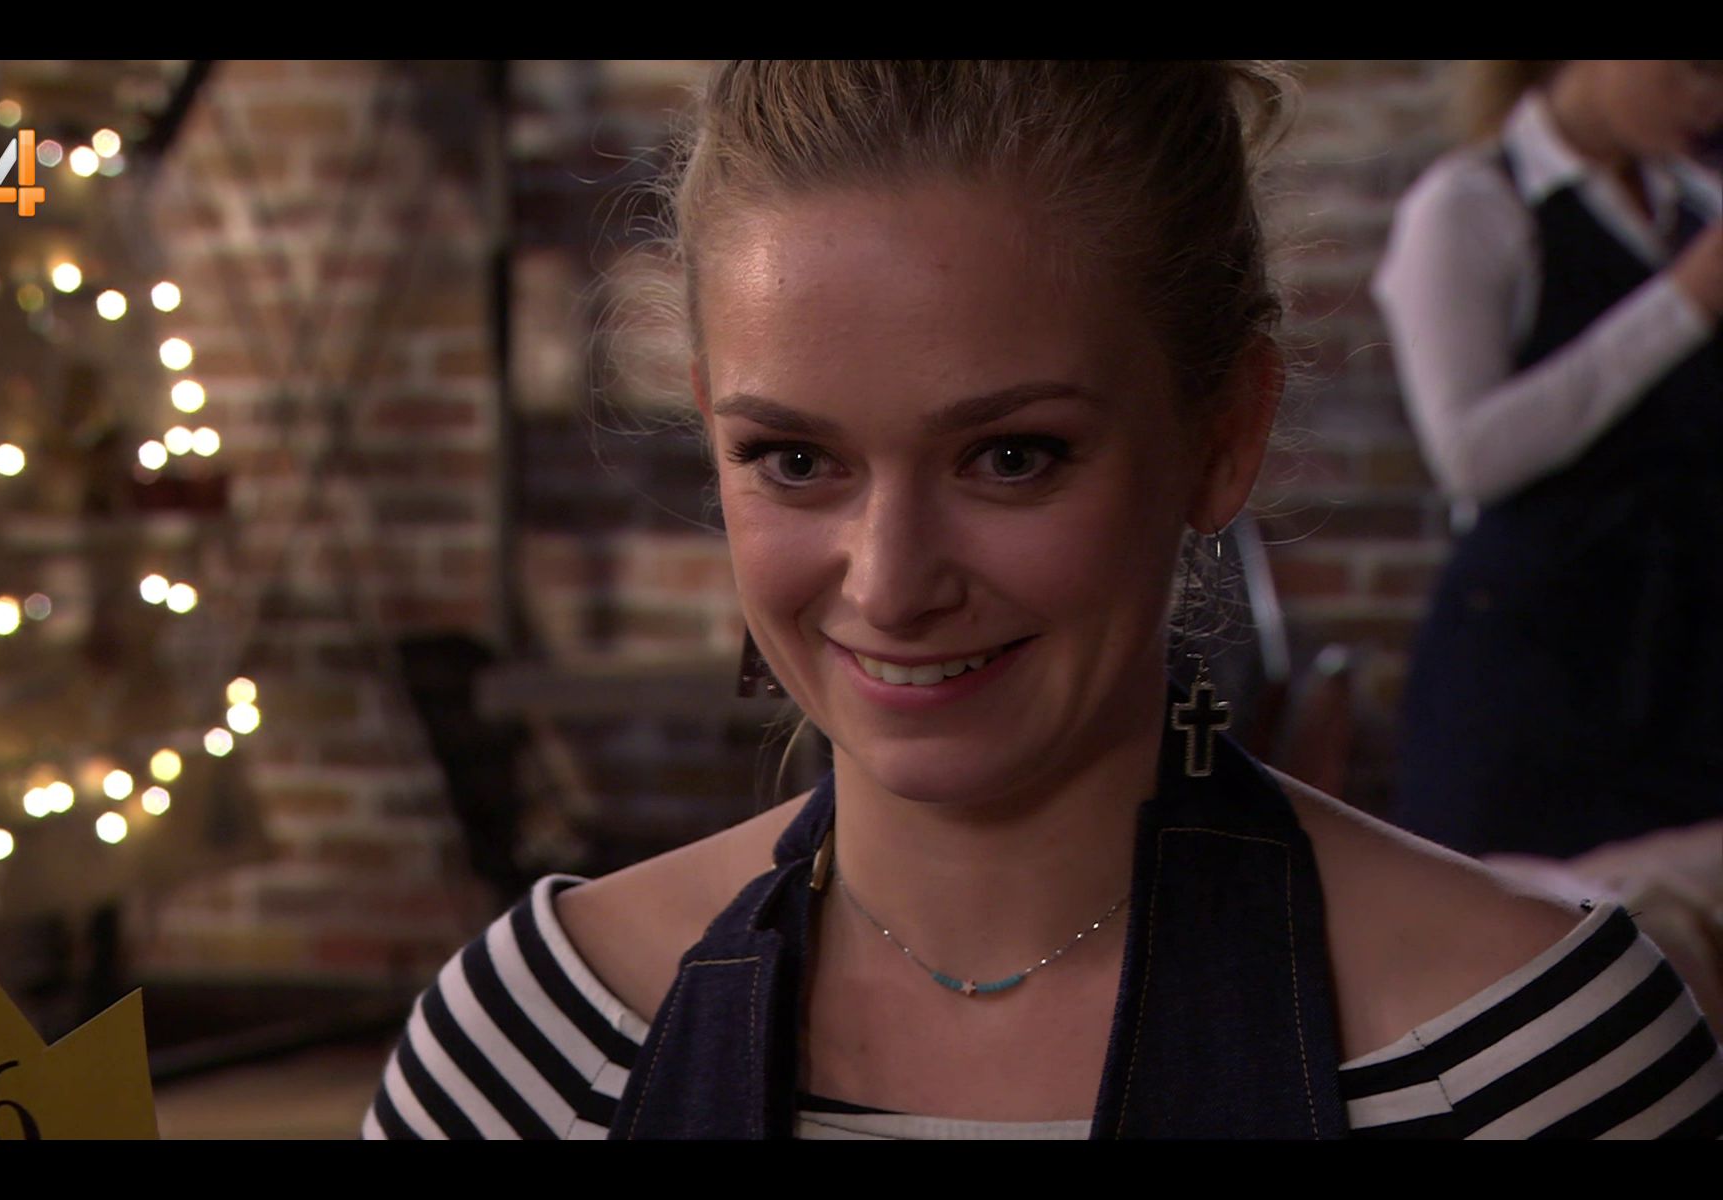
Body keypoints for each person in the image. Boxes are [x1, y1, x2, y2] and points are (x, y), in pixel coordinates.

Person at [364, 61, 1723, 1140]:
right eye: (794, 460)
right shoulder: (531, 1051)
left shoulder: (1534, 1054)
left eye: (1011, 457)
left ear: (1223, 435)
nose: (891, 582)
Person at [1374, 61, 1723, 861]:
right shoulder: (1469, 204)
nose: (1710, 100)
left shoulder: (1696, 203)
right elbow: (1471, 454)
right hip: (1538, 667)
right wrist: (1681, 304)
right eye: (1692, 69)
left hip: (1685, 665)